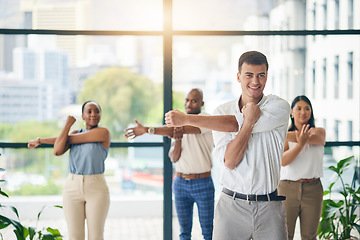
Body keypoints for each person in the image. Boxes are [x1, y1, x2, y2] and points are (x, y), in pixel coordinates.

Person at [165, 51, 290, 240]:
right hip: (231, 207)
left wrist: (185, 119)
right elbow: (230, 162)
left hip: (270, 207)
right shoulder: (221, 112)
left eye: (261, 75)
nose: (255, 81)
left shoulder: (279, 107)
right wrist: (249, 122)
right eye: (249, 75)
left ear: (267, 76)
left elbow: (233, 123)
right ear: (238, 76)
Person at [124, 88, 215, 240]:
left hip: (203, 183)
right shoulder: (180, 124)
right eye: (187, 100)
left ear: (202, 103)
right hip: (180, 183)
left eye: (194, 100)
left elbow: (184, 130)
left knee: (208, 232)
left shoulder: (205, 118)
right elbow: (173, 157)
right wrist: (177, 139)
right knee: (184, 233)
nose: (189, 103)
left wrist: (147, 130)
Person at [28, 101, 110, 240]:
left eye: (97, 111)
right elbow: (57, 150)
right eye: (89, 111)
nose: (93, 114)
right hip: (72, 187)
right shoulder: (74, 133)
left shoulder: (103, 132)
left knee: (96, 236)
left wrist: (41, 140)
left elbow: (71, 140)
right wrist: (67, 126)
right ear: (83, 116)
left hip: (96, 187)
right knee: (74, 236)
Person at [278, 95, 326, 240]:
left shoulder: (319, 132)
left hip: (313, 189)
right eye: (298, 108)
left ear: (311, 112)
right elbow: (283, 161)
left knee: (310, 236)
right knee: (285, 235)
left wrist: (291, 137)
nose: (303, 112)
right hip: (288, 188)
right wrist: (300, 144)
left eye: (307, 108)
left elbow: (318, 139)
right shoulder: (285, 135)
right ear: (291, 112)